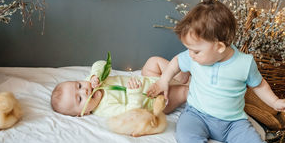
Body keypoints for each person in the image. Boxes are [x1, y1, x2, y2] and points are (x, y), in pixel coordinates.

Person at [147, 0, 285, 143]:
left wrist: (275, 101)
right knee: (185, 134)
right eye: (189, 50)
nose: (191, 55)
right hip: (197, 114)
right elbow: (177, 62)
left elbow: (259, 85)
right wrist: (164, 80)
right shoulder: (194, 58)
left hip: (233, 123)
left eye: (195, 51)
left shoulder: (244, 63)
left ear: (220, 46)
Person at [50, 56, 189, 117]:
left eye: (79, 85)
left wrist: (95, 75)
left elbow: (101, 63)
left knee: (152, 62)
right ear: (83, 113)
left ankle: (181, 76)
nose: (84, 90)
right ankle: (186, 86)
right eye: (80, 99)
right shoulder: (105, 109)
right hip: (154, 98)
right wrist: (134, 93)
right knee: (183, 92)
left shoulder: (93, 81)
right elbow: (131, 112)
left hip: (148, 79)